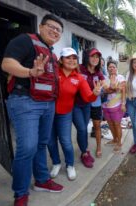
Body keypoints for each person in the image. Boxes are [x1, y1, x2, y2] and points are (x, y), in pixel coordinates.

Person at [1, 14, 64, 205]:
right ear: (41, 26)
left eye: (58, 30)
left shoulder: (52, 54)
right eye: (51, 27)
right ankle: (20, 193)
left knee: (41, 144)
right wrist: (30, 72)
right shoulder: (25, 41)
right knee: (27, 147)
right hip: (25, 101)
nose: (55, 31)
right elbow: (7, 64)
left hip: (47, 104)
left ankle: (42, 180)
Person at [47, 48, 101, 180]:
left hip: (65, 113)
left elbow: (88, 97)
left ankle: (70, 165)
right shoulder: (52, 73)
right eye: (68, 57)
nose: (71, 60)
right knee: (50, 141)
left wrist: (94, 94)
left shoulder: (78, 78)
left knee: (65, 141)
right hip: (47, 113)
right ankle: (56, 163)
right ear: (61, 60)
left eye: (74, 58)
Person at [73, 48, 105, 161]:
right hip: (76, 103)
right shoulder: (79, 69)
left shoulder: (99, 73)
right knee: (82, 128)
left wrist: (107, 88)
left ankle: (85, 149)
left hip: (88, 104)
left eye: (97, 57)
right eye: (92, 56)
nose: (95, 59)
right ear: (87, 57)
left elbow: (104, 86)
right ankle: (84, 152)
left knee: (87, 127)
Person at [102, 60, 126, 151]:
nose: (112, 68)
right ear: (107, 68)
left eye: (113, 67)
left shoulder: (120, 77)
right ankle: (114, 139)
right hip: (105, 105)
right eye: (110, 67)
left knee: (117, 124)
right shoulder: (104, 78)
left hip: (117, 105)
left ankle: (119, 142)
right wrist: (115, 88)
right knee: (110, 124)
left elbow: (123, 91)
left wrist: (123, 104)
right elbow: (105, 91)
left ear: (116, 68)